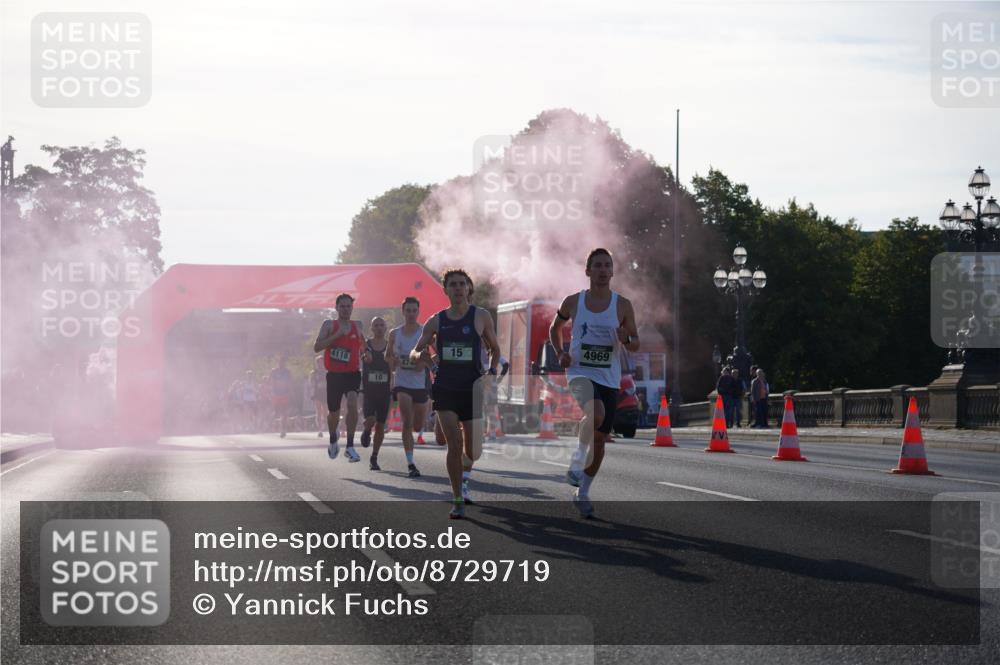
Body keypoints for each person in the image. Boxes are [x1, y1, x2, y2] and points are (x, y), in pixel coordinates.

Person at [550, 248, 640, 518]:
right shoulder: (573, 302)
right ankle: (577, 460)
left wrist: (625, 339)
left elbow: (635, 344)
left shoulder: (622, 305)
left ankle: (583, 492)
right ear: (587, 271)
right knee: (597, 413)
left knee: (600, 439)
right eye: (597, 265)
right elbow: (555, 328)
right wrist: (560, 353)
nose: (602, 270)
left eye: (607, 266)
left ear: (612, 272)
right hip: (579, 372)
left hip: (608, 377)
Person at [410, 269, 501, 519]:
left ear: (469, 288)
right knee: (453, 442)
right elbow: (414, 352)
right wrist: (423, 357)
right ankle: (457, 497)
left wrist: (491, 371)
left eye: (462, 284)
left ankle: (465, 471)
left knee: (473, 451)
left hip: (472, 387)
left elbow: (495, 348)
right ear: (446, 290)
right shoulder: (437, 320)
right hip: (445, 386)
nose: (458, 288)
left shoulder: (480, 316)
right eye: (453, 285)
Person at [313, 293, 364, 462]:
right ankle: (333, 439)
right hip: (334, 375)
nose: (345, 309)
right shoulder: (329, 325)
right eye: (342, 306)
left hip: (352, 373)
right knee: (333, 413)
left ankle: (350, 446)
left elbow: (363, 346)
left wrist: (368, 354)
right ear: (336, 308)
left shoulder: (358, 326)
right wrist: (336, 336)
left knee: (352, 403)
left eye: (348, 306)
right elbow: (317, 347)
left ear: (352, 308)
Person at [387, 297, 429, 478]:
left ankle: (415, 435)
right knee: (407, 421)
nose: (411, 314)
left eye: (414, 311)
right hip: (402, 383)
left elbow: (429, 357)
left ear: (418, 312)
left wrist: (422, 363)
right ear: (403, 312)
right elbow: (388, 358)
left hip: (419, 384)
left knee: (418, 424)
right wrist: (394, 362)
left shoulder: (424, 332)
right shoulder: (394, 334)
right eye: (408, 310)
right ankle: (411, 462)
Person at [360, 316, 395, 471]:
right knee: (371, 419)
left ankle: (374, 457)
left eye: (382, 325)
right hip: (369, 390)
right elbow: (360, 357)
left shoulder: (390, 346)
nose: (379, 327)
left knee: (380, 426)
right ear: (372, 328)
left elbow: (394, 367)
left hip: (384, 391)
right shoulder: (366, 346)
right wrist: (365, 358)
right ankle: (367, 430)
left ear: (385, 328)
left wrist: (394, 362)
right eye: (376, 325)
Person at [269, 354, 293, 438]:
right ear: (277, 362)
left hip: (284, 394)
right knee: (276, 412)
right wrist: (271, 393)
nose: (281, 363)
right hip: (276, 394)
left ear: (284, 363)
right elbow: (271, 382)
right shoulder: (274, 371)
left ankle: (283, 429)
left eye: (282, 362)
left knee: (284, 412)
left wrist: (290, 393)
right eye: (279, 362)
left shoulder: (287, 372)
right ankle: (272, 425)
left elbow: (290, 383)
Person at [309, 356, 328, 437]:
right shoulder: (314, 372)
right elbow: (311, 383)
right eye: (318, 362)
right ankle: (320, 429)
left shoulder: (327, 372)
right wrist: (312, 393)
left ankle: (325, 423)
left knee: (325, 411)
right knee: (318, 411)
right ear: (317, 363)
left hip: (325, 393)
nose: (320, 364)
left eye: (321, 362)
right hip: (317, 393)